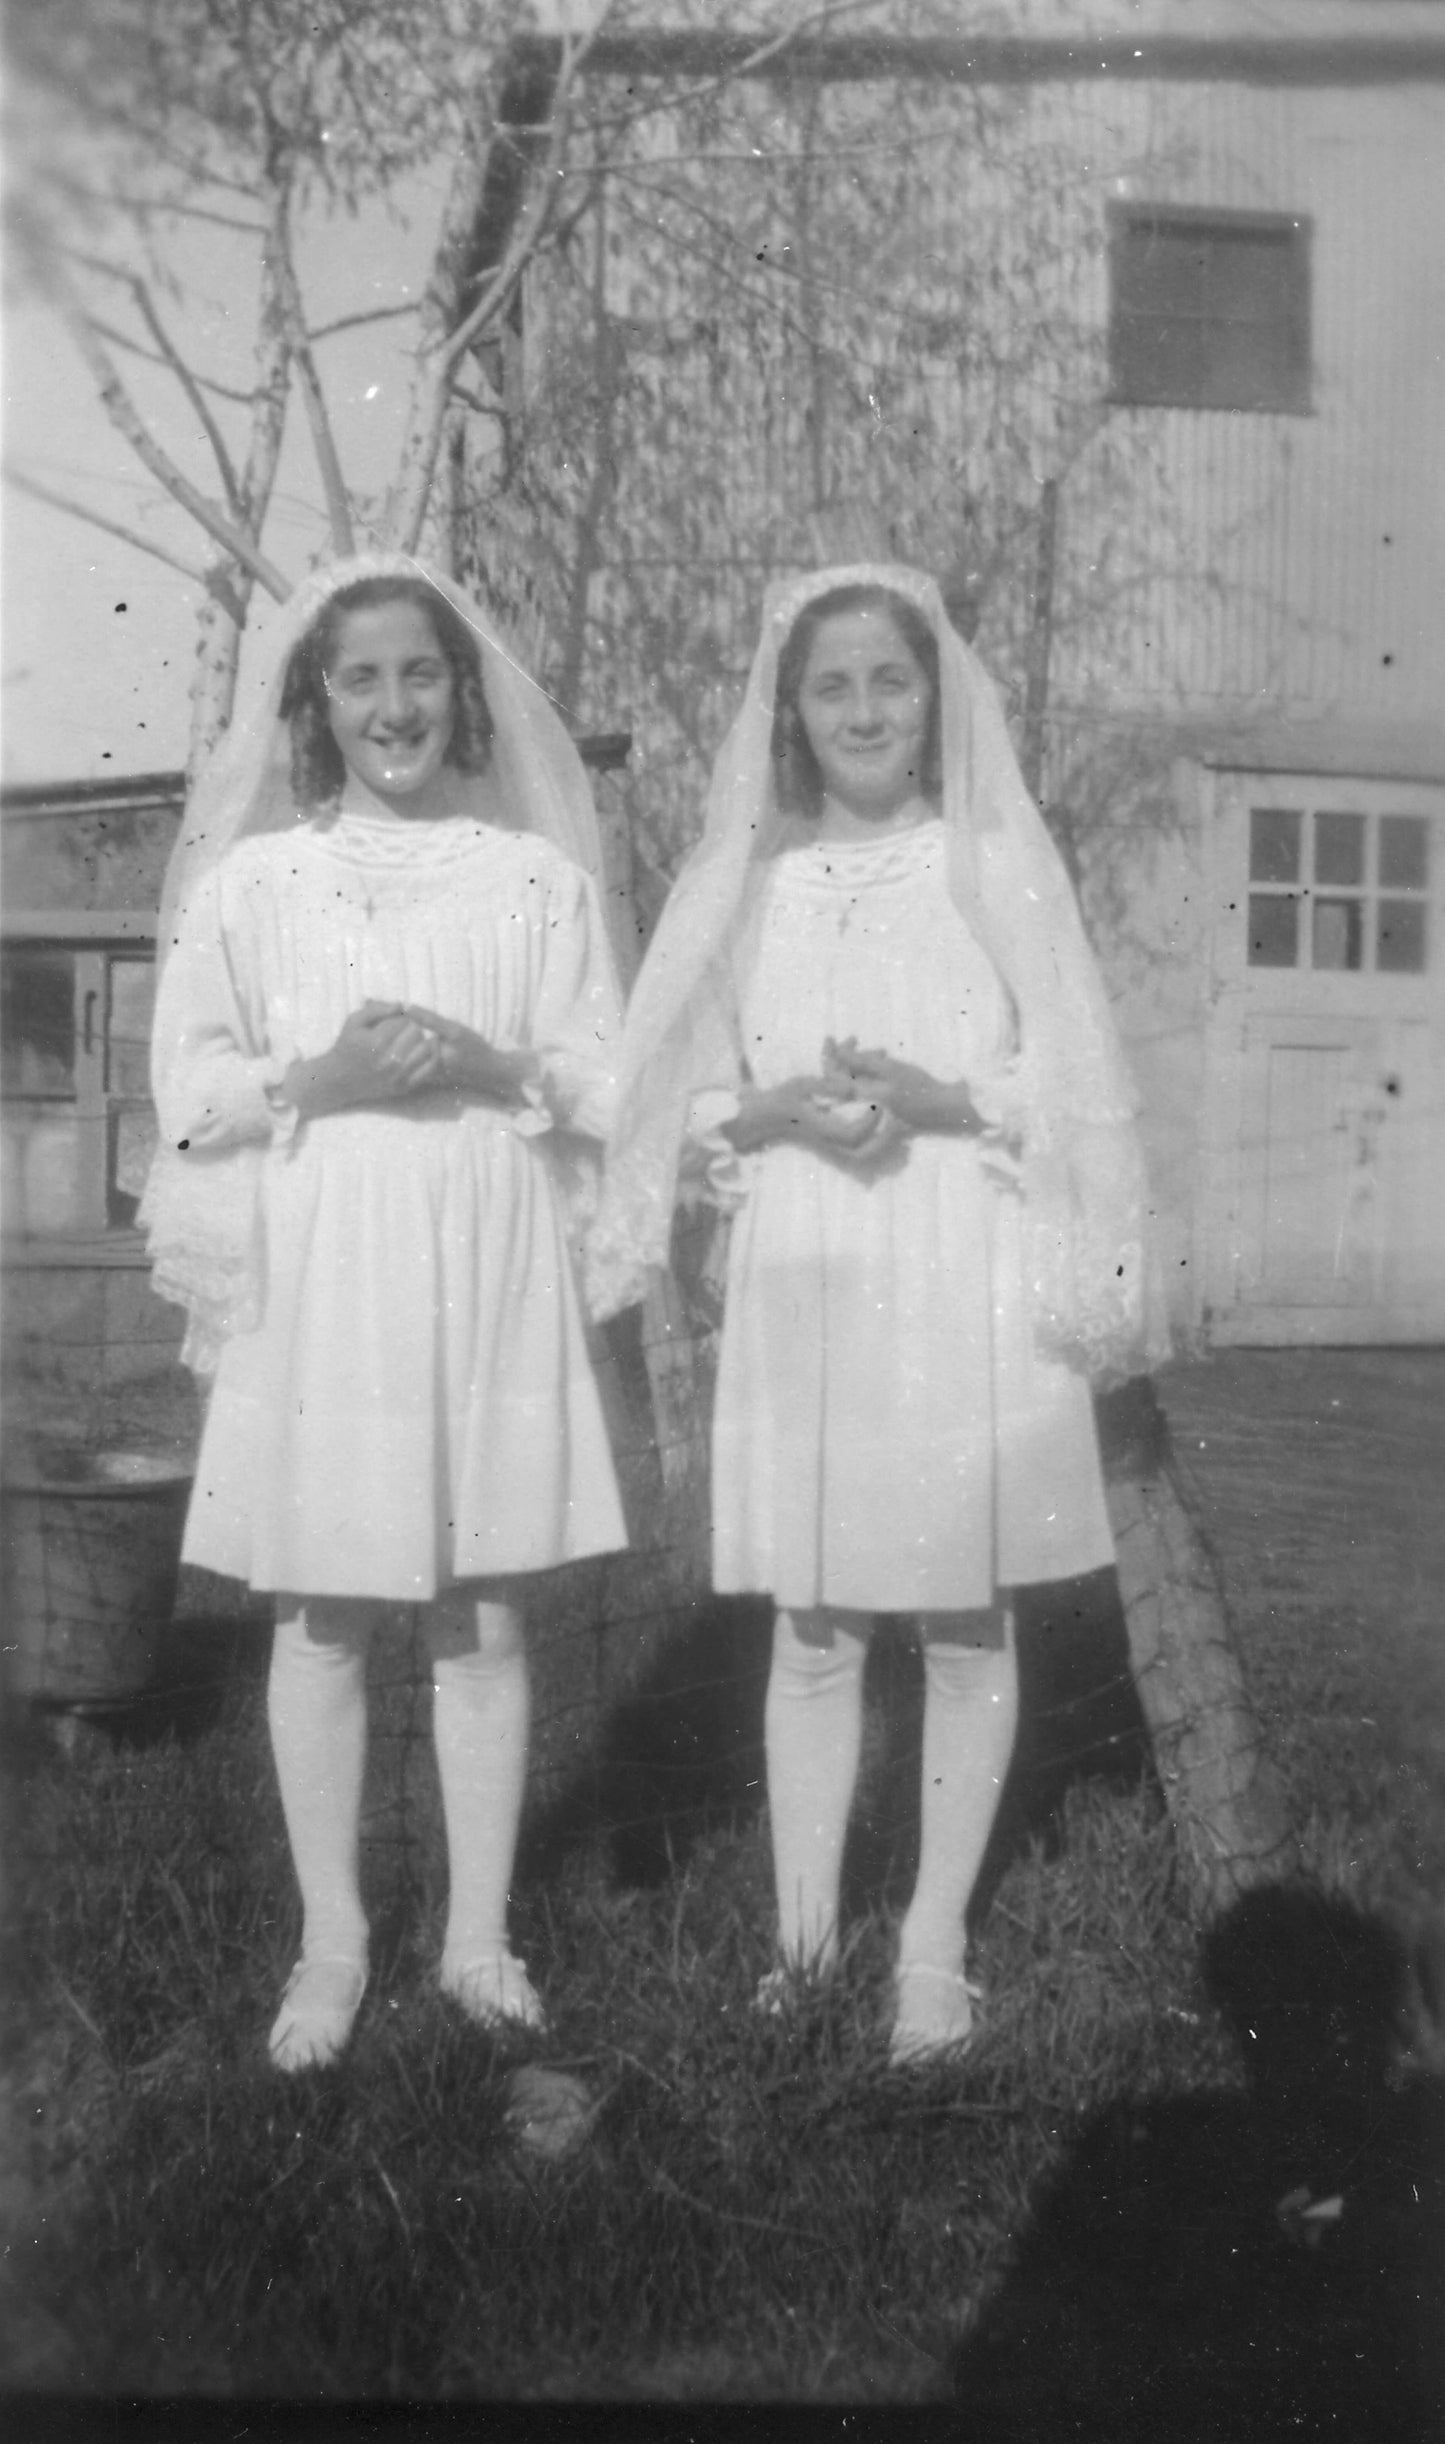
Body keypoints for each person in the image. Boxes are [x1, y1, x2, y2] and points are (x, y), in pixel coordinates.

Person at [588, 563, 1165, 2065]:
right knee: (818, 1619)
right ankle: (798, 1940)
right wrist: (773, 1108)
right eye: (829, 687)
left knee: (963, 1615)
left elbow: (1079, 1081)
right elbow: (673, 1092)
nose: (861, 712)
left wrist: (943, 1096)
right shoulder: (750, 884)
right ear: (787, 712)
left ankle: (930, 1943)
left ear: (934, 698)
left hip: (955, 1260)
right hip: (810, 1268)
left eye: (887, 684)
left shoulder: (989, 866)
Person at [144, 552, 627, 2071]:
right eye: (359, 677)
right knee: (325, 1603)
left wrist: (485, 1069)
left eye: (420, 672)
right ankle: (333, 1942)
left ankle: (479, 1940)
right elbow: (186, 1092)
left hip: (484, 1251)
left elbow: (602, 1078)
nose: (394, 704)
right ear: (316, 701)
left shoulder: (537, 882)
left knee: (481, 1606)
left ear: (461, 692)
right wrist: (320, 1081)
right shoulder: (255, 886)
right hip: (329, 1261)